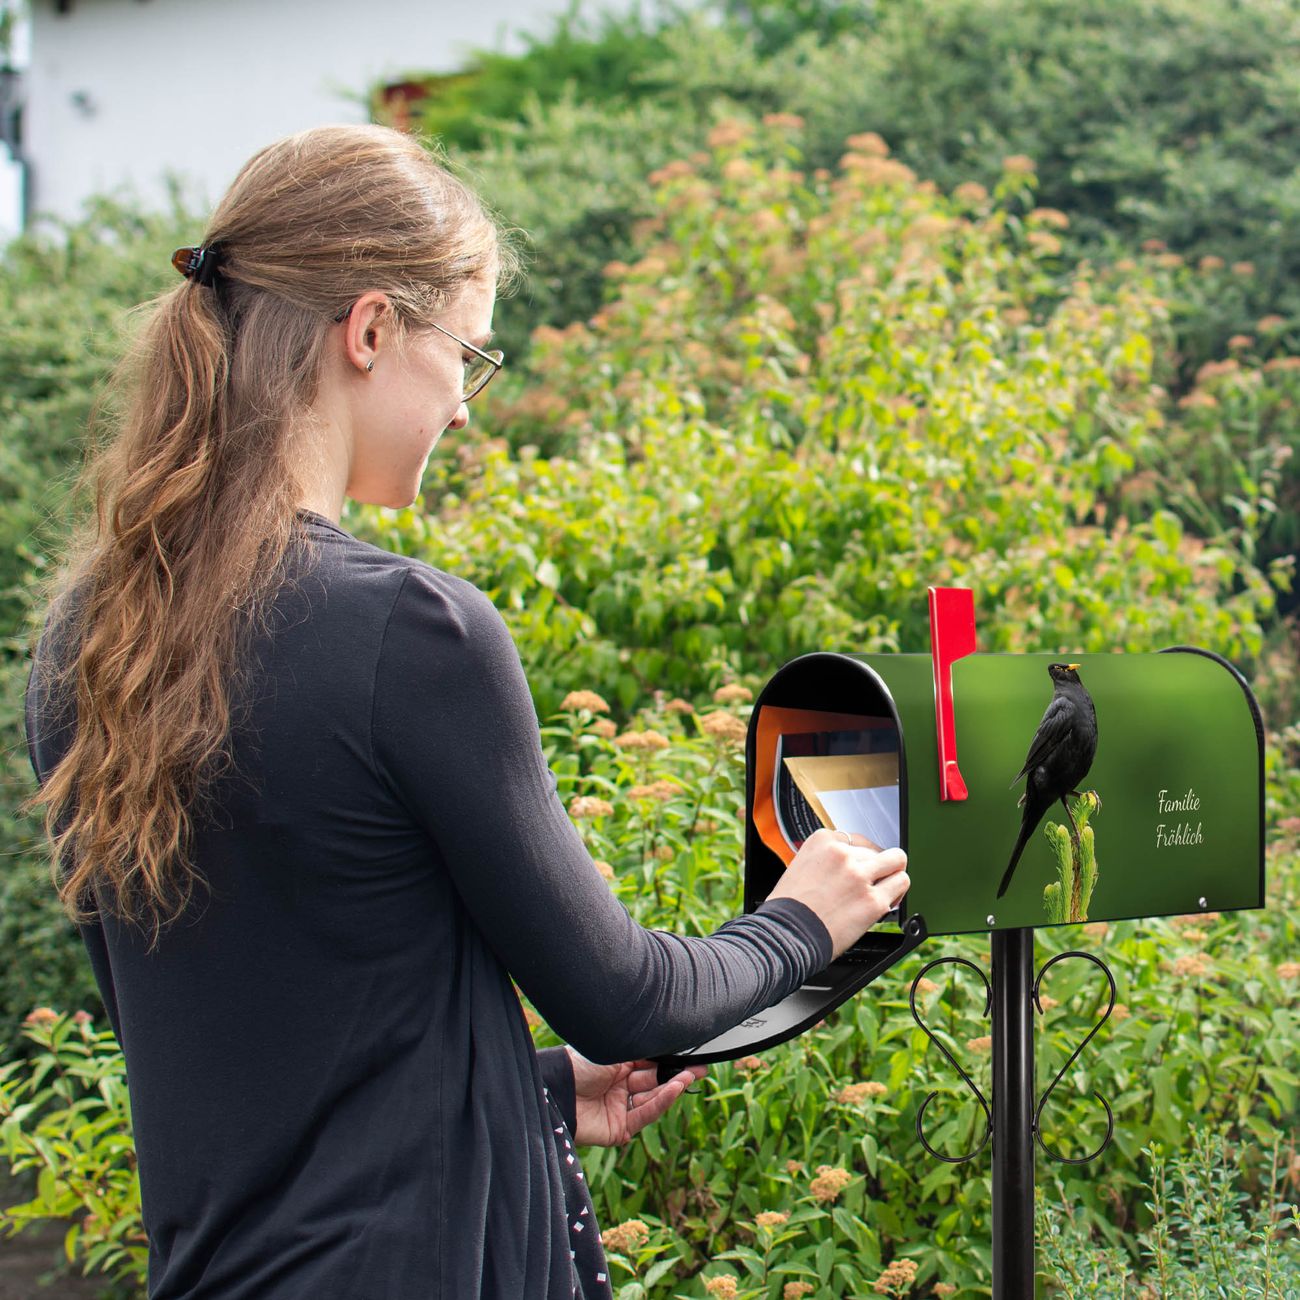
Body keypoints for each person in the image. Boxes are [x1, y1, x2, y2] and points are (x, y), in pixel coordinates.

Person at [21, 124, 910, 1300]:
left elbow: (238, 1045)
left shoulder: (87, 640)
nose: (465, 409)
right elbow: (628, 996)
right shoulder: (405, 630)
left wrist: (527, 1088)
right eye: (467, 355)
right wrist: (801, 919)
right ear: (370, 329)